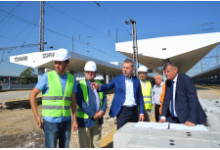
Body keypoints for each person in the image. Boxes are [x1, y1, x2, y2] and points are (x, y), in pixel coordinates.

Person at [29, 48, 78, 148]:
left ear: (67, 64)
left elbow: (73, 101)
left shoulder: (71, 79)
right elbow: (32, 95)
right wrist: (36, 116)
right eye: (56, 63)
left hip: (66, 122)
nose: (57, 65)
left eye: (60, 63)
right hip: (50, 123)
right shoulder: (47, 77)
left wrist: (75, 119)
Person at [91, 59, 144, 130]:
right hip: (122, 111)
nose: (125, 70)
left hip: (134, 111)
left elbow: (140, 97)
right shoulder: (117, 79)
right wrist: (99, 87)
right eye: (123, 67)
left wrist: (141, 112)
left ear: (133, 69)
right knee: (121, 134)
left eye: (127, 68)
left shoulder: (136, 81)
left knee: (132, 134)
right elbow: (107, 87)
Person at [76, 61, 107, 148]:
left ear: (95, 73)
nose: (90, 73)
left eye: (92, 72)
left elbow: (104, 99)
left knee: (96, 145)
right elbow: (81, 102)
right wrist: (93, 114)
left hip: (98, 120)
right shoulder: (80, 85)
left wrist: (102, 111)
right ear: (85, 72)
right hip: (85, 121)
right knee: (85, 146)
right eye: (88, 71)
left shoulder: (100, 84)